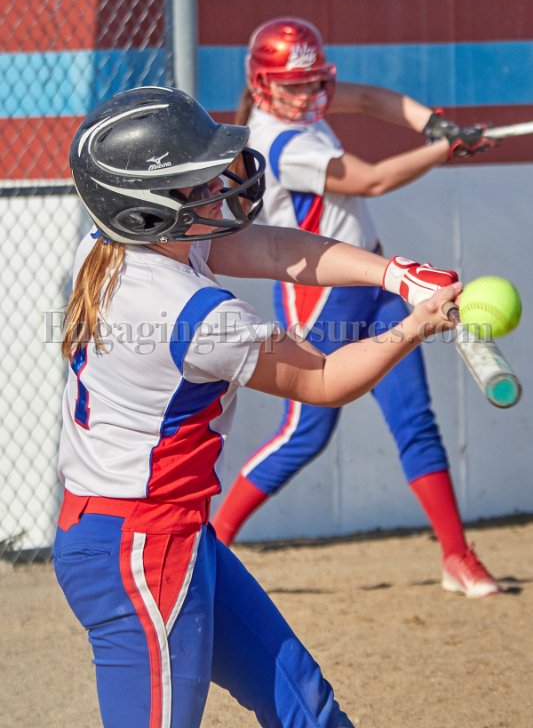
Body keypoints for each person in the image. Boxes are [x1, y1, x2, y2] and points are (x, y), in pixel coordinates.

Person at [53, 85, 461, 727]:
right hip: (137, 547)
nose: (217, 184)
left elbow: (274, 249)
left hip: (171, 533)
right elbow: (324, 378)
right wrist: (414, 326)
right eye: (194, 181)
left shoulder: (110, 247)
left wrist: (394, 274)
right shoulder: (194, 314)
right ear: (144, 210)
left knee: (305, 704)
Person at [211, 15, 501, 599]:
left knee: (415, 419)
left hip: (376, 280)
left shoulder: (305, 109)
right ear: (262, 84)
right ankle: (212, 545)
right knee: (305, 435)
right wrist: (444, 148)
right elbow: (370, 180)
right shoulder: (278, 141)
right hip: (322, 302)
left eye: (313, 81)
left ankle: (457, 555)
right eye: (292, 85)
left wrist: (433, 123)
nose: (307, 94)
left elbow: (370, 100)